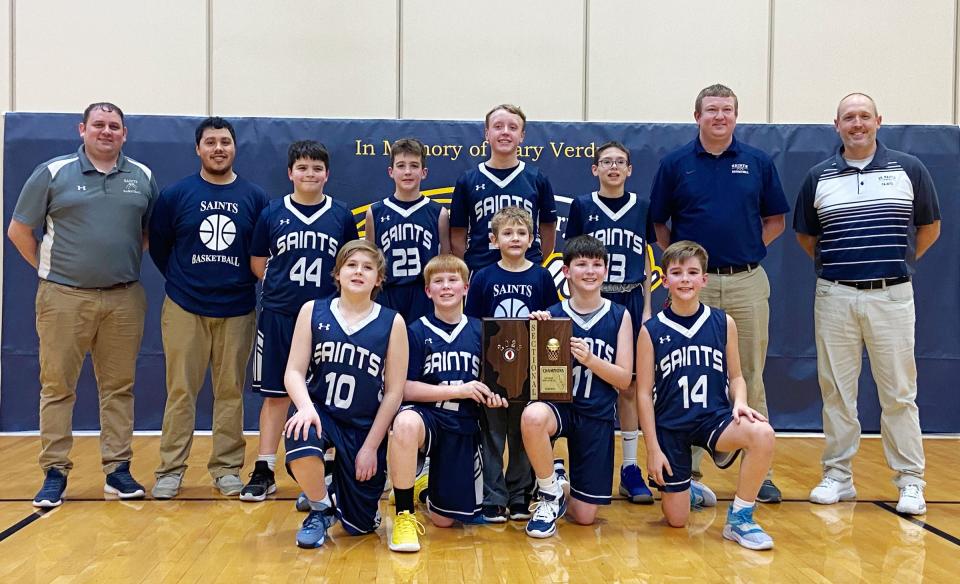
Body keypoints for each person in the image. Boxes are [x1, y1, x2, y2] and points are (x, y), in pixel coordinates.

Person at [793, 93, 941, 515]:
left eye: (863, 116)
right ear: (835, 125)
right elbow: (808, 237)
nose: (856, 124)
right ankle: (838, 476)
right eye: (848, 118)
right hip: (835, 295)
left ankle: (911, 481)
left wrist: (897, 264)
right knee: (837, 393)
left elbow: (929, 227)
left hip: (892, 295)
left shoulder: (910, 169)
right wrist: (843, 270)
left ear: (878, 121)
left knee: (898, 393)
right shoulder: (818, 176)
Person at [7, 102, 159, 507]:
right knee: (57, 387)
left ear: (124, 134)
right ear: (82, 129)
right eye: (99, 125)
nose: (106, 131)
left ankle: (118, 470)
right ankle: (54, 471)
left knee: (119, 388)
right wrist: (50, 269)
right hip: (63, 298)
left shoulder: (142, 176)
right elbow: (19, 230)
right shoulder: (53, 172)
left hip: (124, 298)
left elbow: (148, 233)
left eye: (114, 126)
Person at [649, 83, 789, 503]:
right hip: (695, 287)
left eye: (727, 110)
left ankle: (757, 471)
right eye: (711, 110)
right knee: (684, 375)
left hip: (747, 280)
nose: (719, 117)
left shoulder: (757, 162)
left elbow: (776, 220)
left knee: (748, 373)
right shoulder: (676, 164)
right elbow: (659, 224)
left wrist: (746, 250)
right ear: (697, 116)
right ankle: (687, 473)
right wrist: (688, 269)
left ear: (736, 116)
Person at [148, 117, 269, 499]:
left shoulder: (255, 197)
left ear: (235, 148)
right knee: (181, 391)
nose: (219, 148)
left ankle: (227, 468)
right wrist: (184, 280)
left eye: (225, 142)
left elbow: (260, 252)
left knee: (230, 391)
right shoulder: (176, 194)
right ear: (198, 149)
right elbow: (160, 245)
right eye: (211, 142)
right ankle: (170, 470)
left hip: (237, 307)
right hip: (185, 305)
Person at [637, 240, 776, 550]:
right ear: (665, 280)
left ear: (704, 280)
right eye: (676, 272)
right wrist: (652, 450)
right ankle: (688, 489)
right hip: (671, 425)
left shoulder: (722, 322)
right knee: (676, 519)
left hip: (712, 419)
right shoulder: (652, 330)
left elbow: (737, 376)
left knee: (763, 434)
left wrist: (740, 403)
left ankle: (740, 518)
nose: (684, 279)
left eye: (692, 272)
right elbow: (644, 394)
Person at [240, 140, 359, 502]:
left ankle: (321, 469)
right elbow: (259, 263)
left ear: (327, 174)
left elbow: (349, 264)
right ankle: (264, 468)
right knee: (277, 395)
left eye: (317, 168)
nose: (310, 174)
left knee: (321, 395)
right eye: (303, 168)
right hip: (279, 315)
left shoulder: (341, 215)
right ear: (290, 173)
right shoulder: (272, 212)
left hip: (325, 319)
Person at [283, 239, 407, 548]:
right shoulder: (313, 310)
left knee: (359, 527)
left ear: (378, 279)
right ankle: (321, 508)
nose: (358, 272)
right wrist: (305, 407)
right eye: (351, 265)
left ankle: (332, 487)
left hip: (363, 426)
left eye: (368, 267)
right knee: (301, 430)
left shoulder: (392, 322)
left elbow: (393, 393)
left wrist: (370, 447)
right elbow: (294, 372)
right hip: (322, 412)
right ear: (337, 274)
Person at [388, 254, 508, 552]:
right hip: (428, 419)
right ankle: (404, 515)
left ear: (466, 287)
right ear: (427, 291)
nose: (445, 287)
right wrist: (457, 391)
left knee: (444, 520)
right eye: (437, 282)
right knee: (404, 423)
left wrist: (493, 395)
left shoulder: (482, 331)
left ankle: (424, 484)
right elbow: (403, 388)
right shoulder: (415, 330)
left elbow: (493, 383)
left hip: (463, 425)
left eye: (452, 280)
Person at [520, 235, 634, 538]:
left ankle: (559, 480)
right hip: (559, 407)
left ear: (606, 271)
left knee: (584, 517)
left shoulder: (619, 315)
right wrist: (534, 333)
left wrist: (591, 360)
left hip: (596, 412)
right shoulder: (551, 314)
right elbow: (528, 377)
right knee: (532, 416)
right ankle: (548, 494)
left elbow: (624, 380)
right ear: (566, 271)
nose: (590, 271)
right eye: (581, 264)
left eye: (597, 264)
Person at [565, 141, 656, 504]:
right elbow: (572, 258)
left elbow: (648, 260)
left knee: (630, 385)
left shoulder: (642, 208)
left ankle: (630, 467)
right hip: (591, 298)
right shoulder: (582, 206)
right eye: (606, 162)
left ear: (630, 170)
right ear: (595, 169)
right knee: (576, 375)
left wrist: (648, 306)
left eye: (620, 162)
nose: (614, 167)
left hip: (630, 296)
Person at [463, 206, 557, 523]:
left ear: (532, 238)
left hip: (528, 369)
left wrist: (544, 319)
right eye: (507, 233)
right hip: (493, 369)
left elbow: (551, 326)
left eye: (521, 233)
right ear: (493, 239)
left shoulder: (541, 276)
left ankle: (519, 495)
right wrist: (480, 371)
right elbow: (473, 324)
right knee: (491, 434)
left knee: (521, 434)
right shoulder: (484, 277)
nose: (514, 238)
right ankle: (493, 497)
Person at [450, 103, 558, 272]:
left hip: (527, 270)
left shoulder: (537, 179)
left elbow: (548, 227)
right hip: (481, 269)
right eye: (498, 126)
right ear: (487, 134)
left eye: (513, 127)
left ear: (522, 136)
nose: (505, 132)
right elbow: (457, 232)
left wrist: (535, 262)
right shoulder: (468, 180)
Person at [365, 138, 450, 323]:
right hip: (387, 293)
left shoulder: (439, 213)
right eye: (401, 165)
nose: (408, 172)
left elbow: (445, 263)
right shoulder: (375, 212)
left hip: (423, 294)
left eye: (414, 165)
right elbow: (369, 261)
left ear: (424, 172)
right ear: (391, 171)